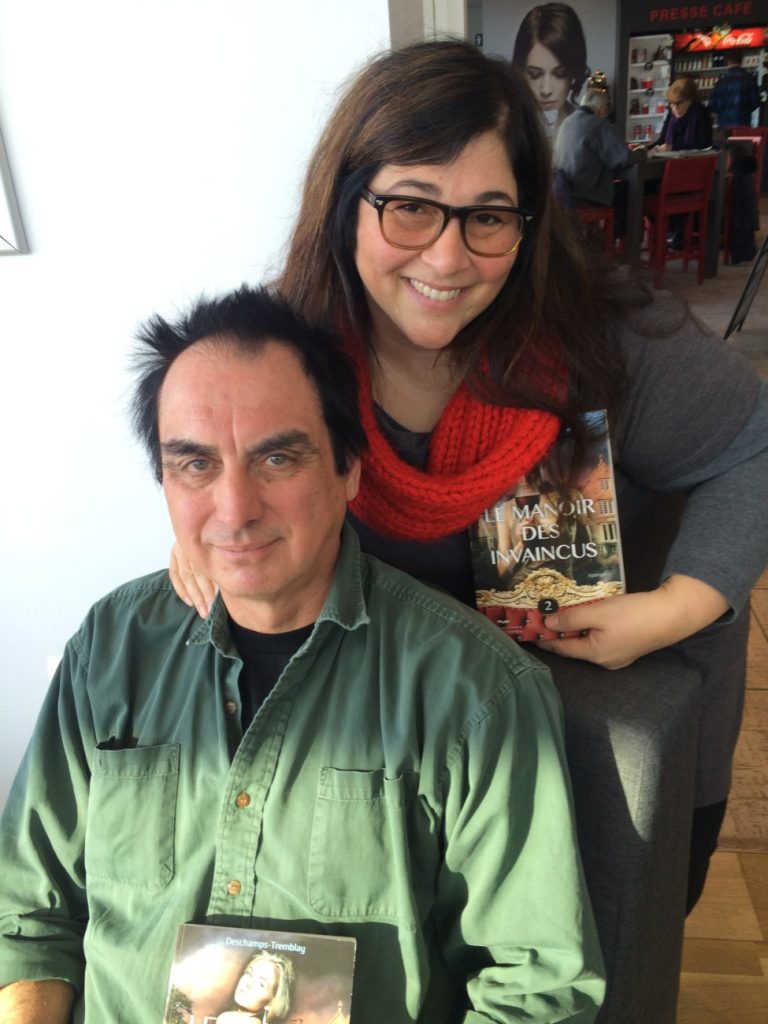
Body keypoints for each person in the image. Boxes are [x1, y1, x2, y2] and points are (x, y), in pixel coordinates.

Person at [169, 40, 768, 915]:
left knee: (612, 949)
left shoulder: (609, 332)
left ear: (528, 221)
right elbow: (215, 454)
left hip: (610, 720)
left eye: (488, 217)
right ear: (346, 203)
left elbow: (753, 445)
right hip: (418, 744)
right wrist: (213, 531)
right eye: (411, 207)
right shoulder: (289, 354)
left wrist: (676, 608)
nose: (448, 259)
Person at [0, 286, 604, 1023]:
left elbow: (538, 990)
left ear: (349, 468)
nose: (234, 511)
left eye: (277, 458)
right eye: (195, 465)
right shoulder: (110, 646)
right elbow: (28, 915)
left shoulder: (476, 689)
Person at [553, 77, 632, 233]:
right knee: (627, 191)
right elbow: (622, 157)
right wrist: (642, 153)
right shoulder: (597, 123)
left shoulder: (567, 121)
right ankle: (621, 237)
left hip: (566, 193)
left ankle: (598, 235)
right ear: (602, 109)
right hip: (588, 194)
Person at [512, 3, 589, 142]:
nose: (546, 90)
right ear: (520, 71)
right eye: (534, 75)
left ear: (573, 71)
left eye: (560, 74)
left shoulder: (588, 130)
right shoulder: (508, 128)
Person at [217, 951, 294, 1023]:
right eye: (249, 974)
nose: (248, 984)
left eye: (261, 984)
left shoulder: (227, 1019)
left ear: (271, 1003)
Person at [650, 77, 713, 152]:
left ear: (690, 100)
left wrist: (673, 148)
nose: (675, 108)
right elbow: (661, 140)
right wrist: (646, 148)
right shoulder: (672, 113)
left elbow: (705, 144)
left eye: (679, 103)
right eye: (672, 104)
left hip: (694, 157)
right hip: (672, 156)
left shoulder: (701, 112)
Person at [707, 50, 760, 130]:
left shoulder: (720, 82)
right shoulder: (750, 80)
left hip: (724, 125)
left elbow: (712, 106)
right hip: (743, 124)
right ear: (741, 60)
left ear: (727, 61)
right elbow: (756, 102)